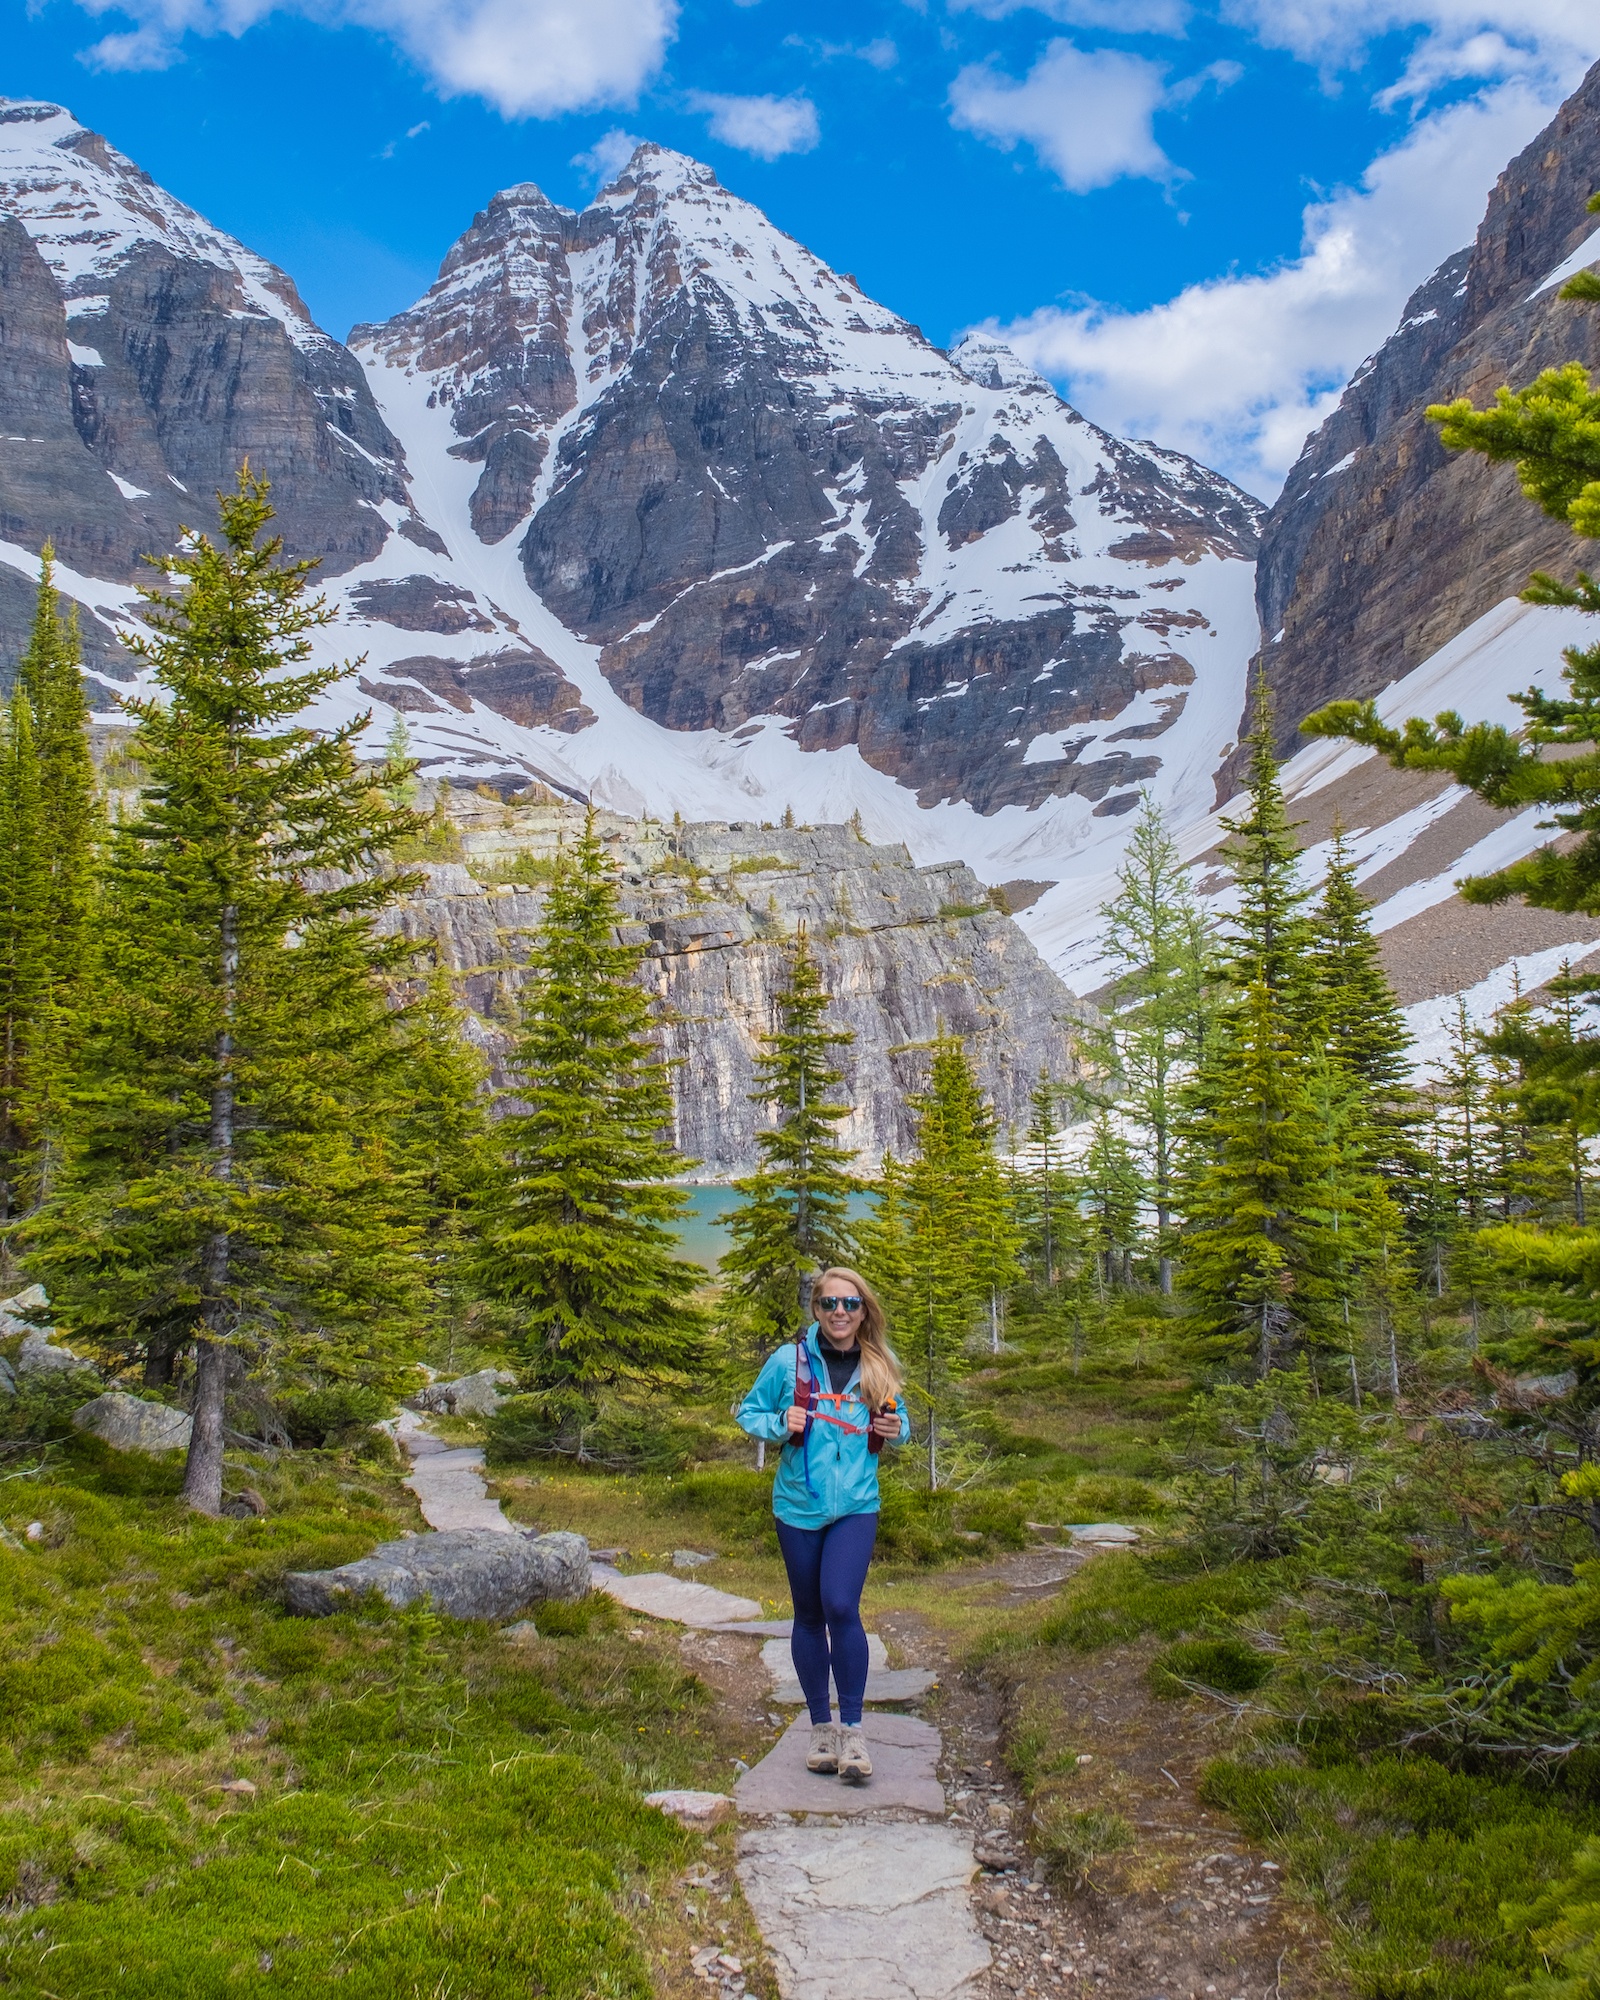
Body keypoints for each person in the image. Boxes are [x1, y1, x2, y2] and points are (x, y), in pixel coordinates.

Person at [736, 1267, 910, 1783]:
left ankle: (853, 1733)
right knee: (809, 1614)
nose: (840, 1313)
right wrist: (776, 1424)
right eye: (831, 1303)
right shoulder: (787, 1362)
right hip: (798, 1506)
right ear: (816, 1309)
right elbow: (748, 1411)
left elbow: (903, 1423)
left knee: (840, 1605)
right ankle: (820, 1730)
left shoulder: (878, 1363)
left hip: (857, 1504)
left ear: (864, 1310)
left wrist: (896, 1429)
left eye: (850, 1304)